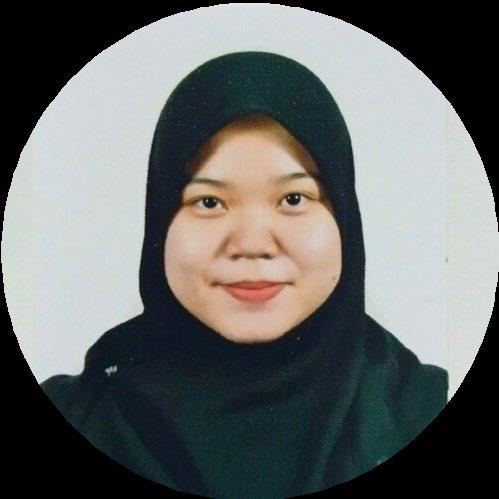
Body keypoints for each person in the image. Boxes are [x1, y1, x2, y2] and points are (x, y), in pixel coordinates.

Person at [41, 51, 448, 497]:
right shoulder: (78, 414)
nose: (253, 243)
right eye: (209, 202)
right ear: (160, 221)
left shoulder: (424, 407)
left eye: (294, 199)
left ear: (344, 217)